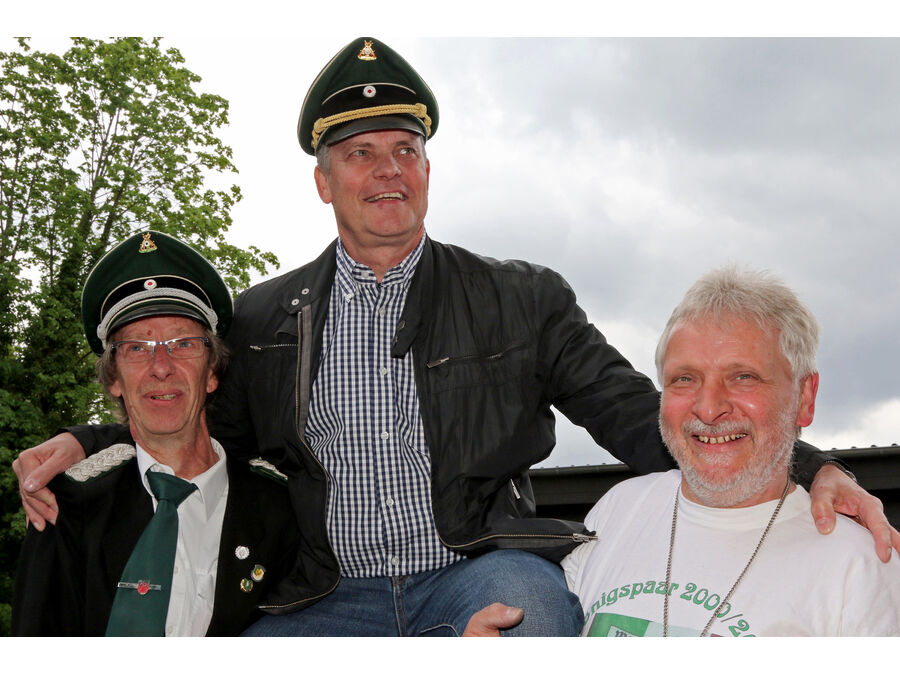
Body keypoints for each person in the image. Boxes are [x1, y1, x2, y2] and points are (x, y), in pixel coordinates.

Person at [13, 38, 898, 636]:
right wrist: (90, 440)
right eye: (360, 154)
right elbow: (195, 431)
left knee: (532, 623)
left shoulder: (522, 298)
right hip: (329, 591)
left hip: (478, 566)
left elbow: (643, 413)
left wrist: (808, 463)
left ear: (428, 169)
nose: (386, 171)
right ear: (323, 181)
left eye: (404, 149)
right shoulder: (264, 318)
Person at [468, 267, 900, 636]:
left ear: (805, 397)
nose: (708, 409)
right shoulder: (620, 510)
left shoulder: (860, 565)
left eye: (743, 377)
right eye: (684, 379)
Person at [11, 231, 299, 636]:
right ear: (115, 379)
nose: (161, 366)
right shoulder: (68, 503)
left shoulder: (278, 506)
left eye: (183, 344)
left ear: (212, 372)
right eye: (136, 348)